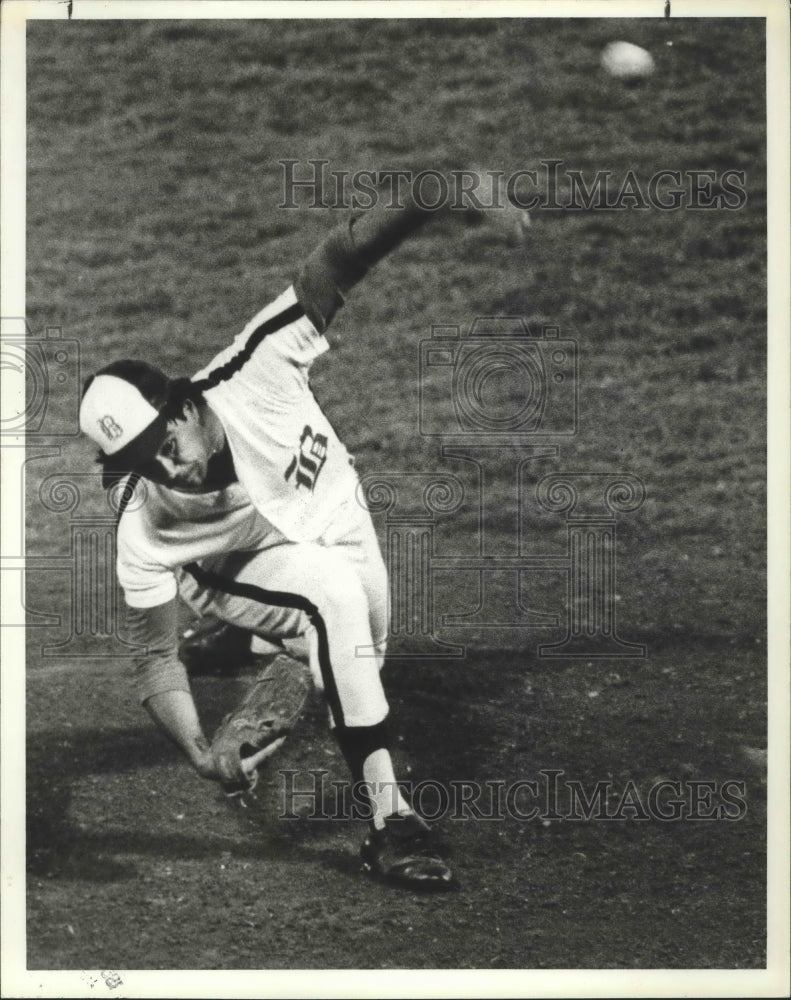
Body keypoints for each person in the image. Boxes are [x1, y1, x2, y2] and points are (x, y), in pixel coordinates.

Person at [79, 180, 520, 890]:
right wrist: (197, 750)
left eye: (162, 442)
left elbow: (339, 258)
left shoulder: (258, 366)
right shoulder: (143, 520)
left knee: (364, 655)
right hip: (231, 564)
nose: (164, 468)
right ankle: (391, 823)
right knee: (332, 605)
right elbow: (154, 654)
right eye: (137, 461)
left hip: (337, 519)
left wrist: (439, 189)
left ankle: (265, 644)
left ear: (184, 403)